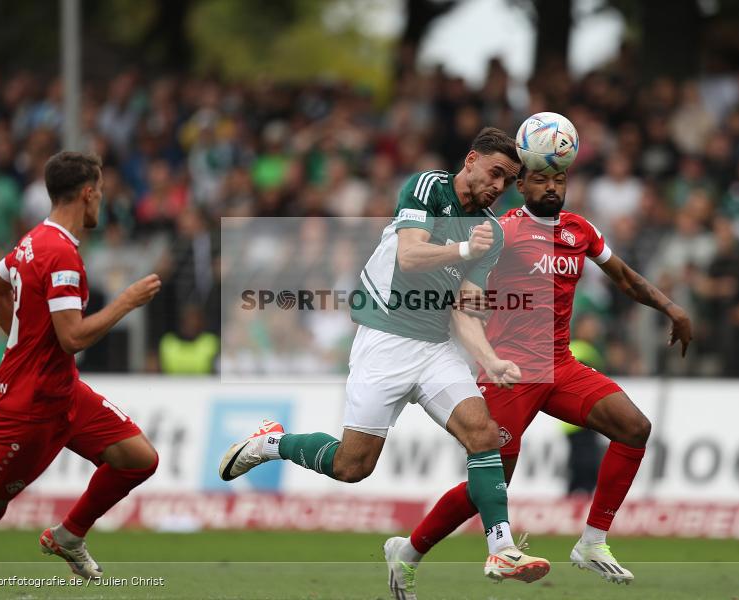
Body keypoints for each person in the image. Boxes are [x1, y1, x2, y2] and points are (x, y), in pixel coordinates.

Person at [219, 128, 553, 587]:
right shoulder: (427, 188)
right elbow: (411, 256)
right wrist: (461, 249)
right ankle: (270, 443)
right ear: (471, 160)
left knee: (484, 433)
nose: (499, 186)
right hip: (385, 340)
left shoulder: (491, 232)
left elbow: (464, 308)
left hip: (436, 348)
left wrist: (490, 359)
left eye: (509, 180)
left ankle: (502, 549)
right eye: (495, 173)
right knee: (351, 467)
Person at [382, 163, 692, 596]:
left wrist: (671, 308)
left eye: (559, 180)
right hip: (510, 371)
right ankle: (409, 552)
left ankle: (592, 543)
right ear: (521, 186)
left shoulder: (579, 229)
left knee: (635, 428)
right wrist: (482, 349)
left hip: (560, 365)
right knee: (490, 483)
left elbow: (622, 277)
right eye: (541, 180)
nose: (552, 187)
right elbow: (461, 289)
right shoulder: (503, 231)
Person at [0, 152, 162, 580]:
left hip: (62, 390)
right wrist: (126, 302)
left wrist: (25, 343)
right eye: (101, 193)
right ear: (88, 193)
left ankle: (70, 535)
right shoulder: (60, 254)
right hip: (30, 408)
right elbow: (73, 337)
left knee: (138, 459)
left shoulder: (32, 241)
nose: (102, 201)